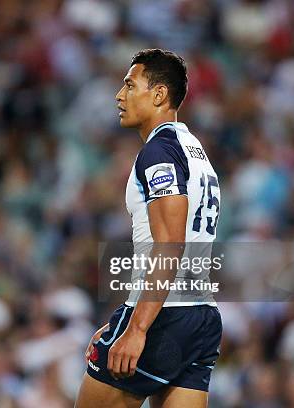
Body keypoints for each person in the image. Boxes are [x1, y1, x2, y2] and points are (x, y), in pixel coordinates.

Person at [75, 49, 222, 408]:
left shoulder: (159, 151)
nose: (119, 95)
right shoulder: (195, 150)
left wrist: (137, 326)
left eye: (129, 85)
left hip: (163, 314)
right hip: (200, 314)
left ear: (158, 95)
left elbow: (171, 242)